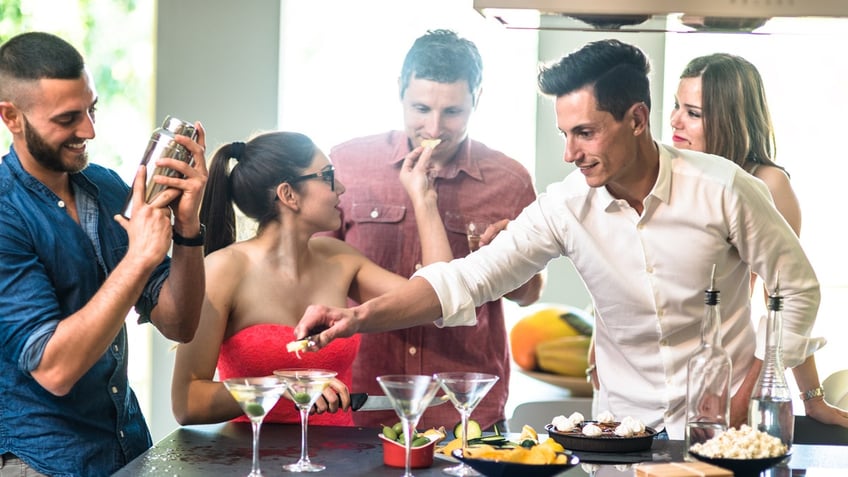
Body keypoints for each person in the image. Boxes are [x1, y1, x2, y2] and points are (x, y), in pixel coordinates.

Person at [295, 39, 848, 439]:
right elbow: (467, 279)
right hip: (617, 433)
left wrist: (754, 383)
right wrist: (358, 318)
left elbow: (796, 288)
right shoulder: (566, 205)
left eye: (585, 132)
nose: (570, 153)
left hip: (725, 431)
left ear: (637, 119)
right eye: (565, 133)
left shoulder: (727, 188)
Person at [0, 32, 207, 476]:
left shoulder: (107, 187)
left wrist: (187, 230)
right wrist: (137, 260)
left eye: (92, 109)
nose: (89, 131)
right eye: (68, 118)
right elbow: (54, 369)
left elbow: (181, 324)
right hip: (41, 463)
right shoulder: (5, 213)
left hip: (127, 449)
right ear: (11, 117)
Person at [324, 29, 543, 431]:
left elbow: (530, 294)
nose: (434, 127)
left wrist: (506, 268)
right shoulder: (347, 164)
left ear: (477, 98)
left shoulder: (509, 180)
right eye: (420, 108)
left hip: (465, 407)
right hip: (364, 403)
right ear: (400, 92)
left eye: (453, 112)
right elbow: (316, 276)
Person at [170, 131, 452, 427]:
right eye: (328, 176)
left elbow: (436, 298)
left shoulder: (340, 258)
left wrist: (425, 198)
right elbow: (187, 403)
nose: (340, 188)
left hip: (338, 462)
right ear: (288, 194)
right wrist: (279, 387)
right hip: (249, 463)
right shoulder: (221, 270)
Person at [669, 53, 848, 426]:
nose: (674, 121)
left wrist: (812, 399)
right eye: (676, 106)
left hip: (728, 376)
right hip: (653, 379)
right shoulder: (667, 174)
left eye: (693, 113)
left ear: (730, 120)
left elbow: (783, 298)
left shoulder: (767, 184)